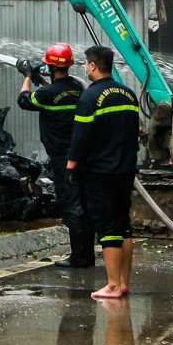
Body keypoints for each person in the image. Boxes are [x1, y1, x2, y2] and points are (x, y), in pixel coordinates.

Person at [66, 45, 141, 301]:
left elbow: (81, 136)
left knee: (107, 226)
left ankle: (111, 286)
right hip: (125, 170)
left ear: (93, 66)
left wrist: (71, 165)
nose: (85, 68)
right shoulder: (129, 95)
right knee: (123, 225)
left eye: (86, 64)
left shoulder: (90, 97)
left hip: (100, 172)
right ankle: (123, 282)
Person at [18, 42, 92, 269]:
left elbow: (24, 100)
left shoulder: (47, 94)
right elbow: (56, 92)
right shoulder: (78, 88)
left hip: (63, 158)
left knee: (71, 205)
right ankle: (87, 255)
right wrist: (41, 79)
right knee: (84, 204)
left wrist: (28, 76)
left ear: (50, 66)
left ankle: (78, 258)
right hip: (84, 156)